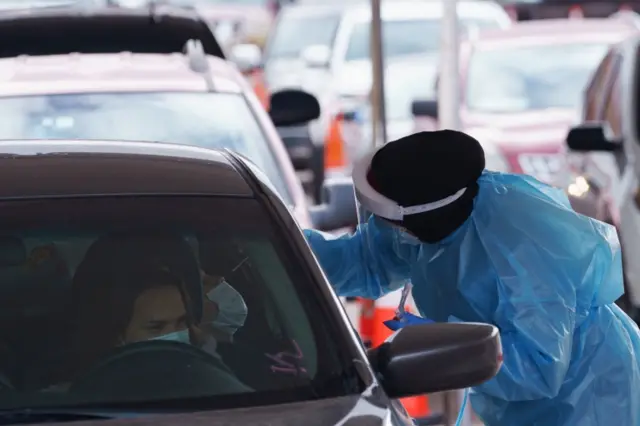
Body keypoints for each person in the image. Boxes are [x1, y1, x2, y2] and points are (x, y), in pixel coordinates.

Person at [304, 130, 640, 426]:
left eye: (386, 218)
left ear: (422, 218)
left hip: (590, 392)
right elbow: (365, 261)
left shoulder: (520, 246)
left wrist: (443, 346)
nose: (382, 228)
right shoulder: (425, 224)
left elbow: (538, 366)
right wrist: (284, 249)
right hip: (517, 404)